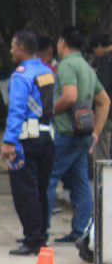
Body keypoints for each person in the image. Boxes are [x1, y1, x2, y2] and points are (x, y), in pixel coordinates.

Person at [46, 27, 111, 243]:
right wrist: (95, 133)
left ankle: (39, 231)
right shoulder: (86, 66)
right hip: (83, 134)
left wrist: (49, 110)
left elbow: (70, 96)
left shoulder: (66, 65)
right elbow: (104, 101)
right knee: (81, 181)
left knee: (49, 179)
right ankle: (82, 229)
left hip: (67, 133)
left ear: (62, 43)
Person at [1, 30, 56, 255]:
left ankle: (32, 240)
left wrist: (8, 141)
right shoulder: (47, 71)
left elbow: (16, 110)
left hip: (26, 139)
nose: (11, 51)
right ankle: (41, 235)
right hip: (48, 136)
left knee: (25, 190)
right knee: (41, 188)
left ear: (22, 48)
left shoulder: (21, 75)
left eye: (13, 46)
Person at [86, 32, 112, 160]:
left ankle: (105, 179)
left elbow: (101, 85)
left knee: (102, 153)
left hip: (107, 113)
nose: (95, 53)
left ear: (100, 45)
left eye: (94, 50)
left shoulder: (106, 60)